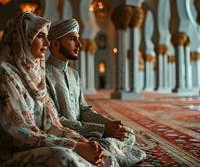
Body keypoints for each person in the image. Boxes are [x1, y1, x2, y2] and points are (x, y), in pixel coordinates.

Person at [0, 12, 115, 167]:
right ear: (22, 38)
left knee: (103, 154)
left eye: (47, 37)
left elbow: (53, 124)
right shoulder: (2, 74)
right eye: (40, 36)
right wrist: (74, 146)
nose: (47, 43)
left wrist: (81, 141)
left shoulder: (36, 75)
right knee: (63, 157)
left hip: (42, 142)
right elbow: (17, 134)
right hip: (8, 153)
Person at [46, 18, 146, 166]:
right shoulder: (44, 75)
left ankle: (107, 151)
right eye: (73, 40)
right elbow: (56, 122)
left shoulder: (74, 74)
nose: (79, 45)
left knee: (128, 133)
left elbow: (83, 109)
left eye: (78, 40)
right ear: (55, 44)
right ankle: (106, 152)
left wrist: (109, 125)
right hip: (70, 135)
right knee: (104, 146)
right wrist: (103, 130)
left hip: (88, 132)